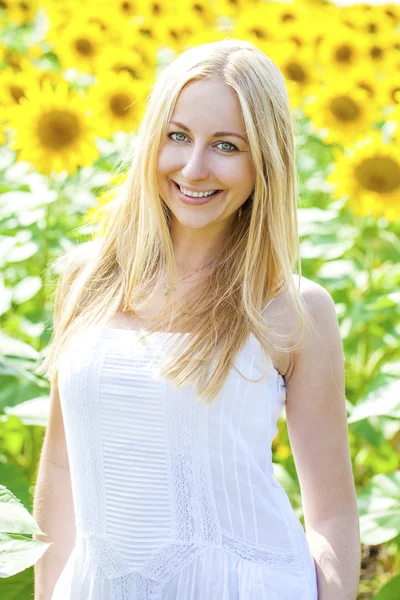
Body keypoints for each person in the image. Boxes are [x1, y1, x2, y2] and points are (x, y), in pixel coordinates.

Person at [33, 39, 360, 600]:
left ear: (266, 161)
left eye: (227, 146)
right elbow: (62, 468)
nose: (193, 167)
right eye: (177, 136)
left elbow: (330, 512)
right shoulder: (86, 280)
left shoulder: (295, 310)